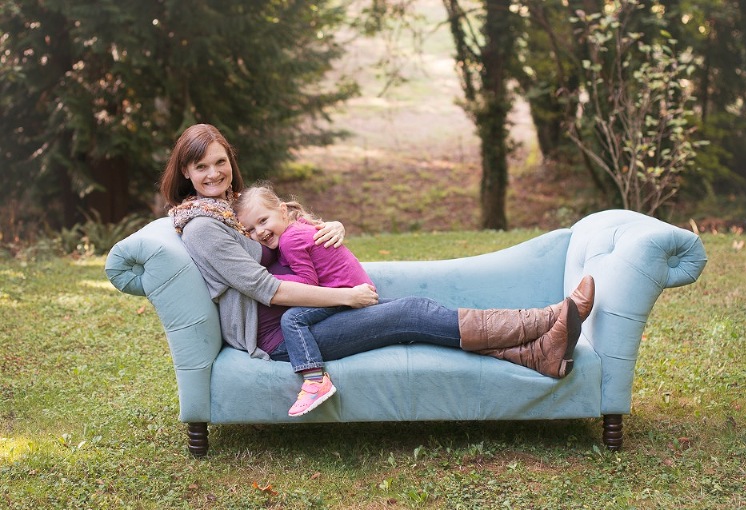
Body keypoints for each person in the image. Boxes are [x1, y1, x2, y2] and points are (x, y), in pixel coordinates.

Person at [159, 124, 596, 418]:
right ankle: (544, 320)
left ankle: (536, 352)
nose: (214, 173)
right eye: (201, 166)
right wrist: (345, 296)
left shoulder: (228, 210)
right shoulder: (204, 227)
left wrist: (328, 226)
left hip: (305, 316)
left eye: (220, 161)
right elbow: (265, 287)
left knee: (415, 320)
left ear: (230, 161)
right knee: (411, 313)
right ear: (185, 172)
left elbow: (281, 238)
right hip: (283, 337)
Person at [233, 184, 378, 416]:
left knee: (292, 319)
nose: (259, 232)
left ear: (282, 211)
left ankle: (314, 380)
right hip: (350, 287)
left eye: (263, 220)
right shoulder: (297, 226)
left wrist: (263, 280)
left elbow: (308, 282)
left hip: (346, 292)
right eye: (250, 229)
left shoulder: (289, 240)